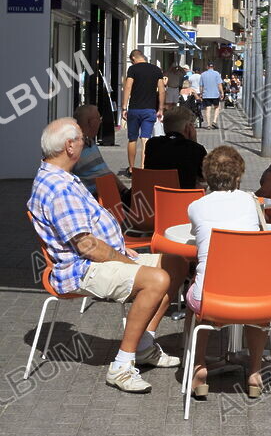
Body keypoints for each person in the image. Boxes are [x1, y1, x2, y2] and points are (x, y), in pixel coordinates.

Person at [28, 118, 187, 393]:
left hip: (101, 258)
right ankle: (122, 366)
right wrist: (128, 262)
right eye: (83, 139)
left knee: (177, 262)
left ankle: (144, 345)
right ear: (69, 146)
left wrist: (126, 258)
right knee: (157, 279)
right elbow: (86, 246)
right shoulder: (58, 188)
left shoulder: (61, 177)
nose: (85, 143)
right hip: (81, 269)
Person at [185, 146, 267, 400]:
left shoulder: (196, 206)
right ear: (239, 175)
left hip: (211, 299)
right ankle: (255, 371)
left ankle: (198, 367)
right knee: (258, 307)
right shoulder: (252, 203)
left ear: (207, 176)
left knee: (195, 294)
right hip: (255, 300)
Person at [73, 104, 130, 206]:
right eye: (99, 118)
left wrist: (125, 192)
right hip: (97, 202)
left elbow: (105, 172)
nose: (100, 121)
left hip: (110, 195)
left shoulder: (90, 143)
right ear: (91, 122)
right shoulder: (75, 148)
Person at [122, 51, 165, 178]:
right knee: (146, 139)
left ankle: (131, 168)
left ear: (134, 58)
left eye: (131, 60)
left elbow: (128, 87)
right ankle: (143, 167)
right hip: (149, 109)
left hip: (134, 109)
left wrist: (124, 107)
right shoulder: (156, 70)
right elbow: (162, 90)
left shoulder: (133, 69)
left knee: (132, 139)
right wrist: (161, 108)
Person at [143, 105, 207, 189]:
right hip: (183, 198)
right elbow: (204, 177)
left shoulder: (152, 144)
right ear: (188, 128)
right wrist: (193, 142)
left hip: (153, 197)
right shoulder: (196, 149)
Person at [200, 63, 224, 129]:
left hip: (206, 94)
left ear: (207, 67)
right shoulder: (217, 74)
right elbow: (219, 84)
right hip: (215, 94)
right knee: (217, 107)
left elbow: (201, 86)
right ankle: (214, 121)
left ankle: (208, 124)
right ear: (213, 67)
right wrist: (222, 93)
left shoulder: (203, 74)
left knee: (208, 108)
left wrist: (201, 94)